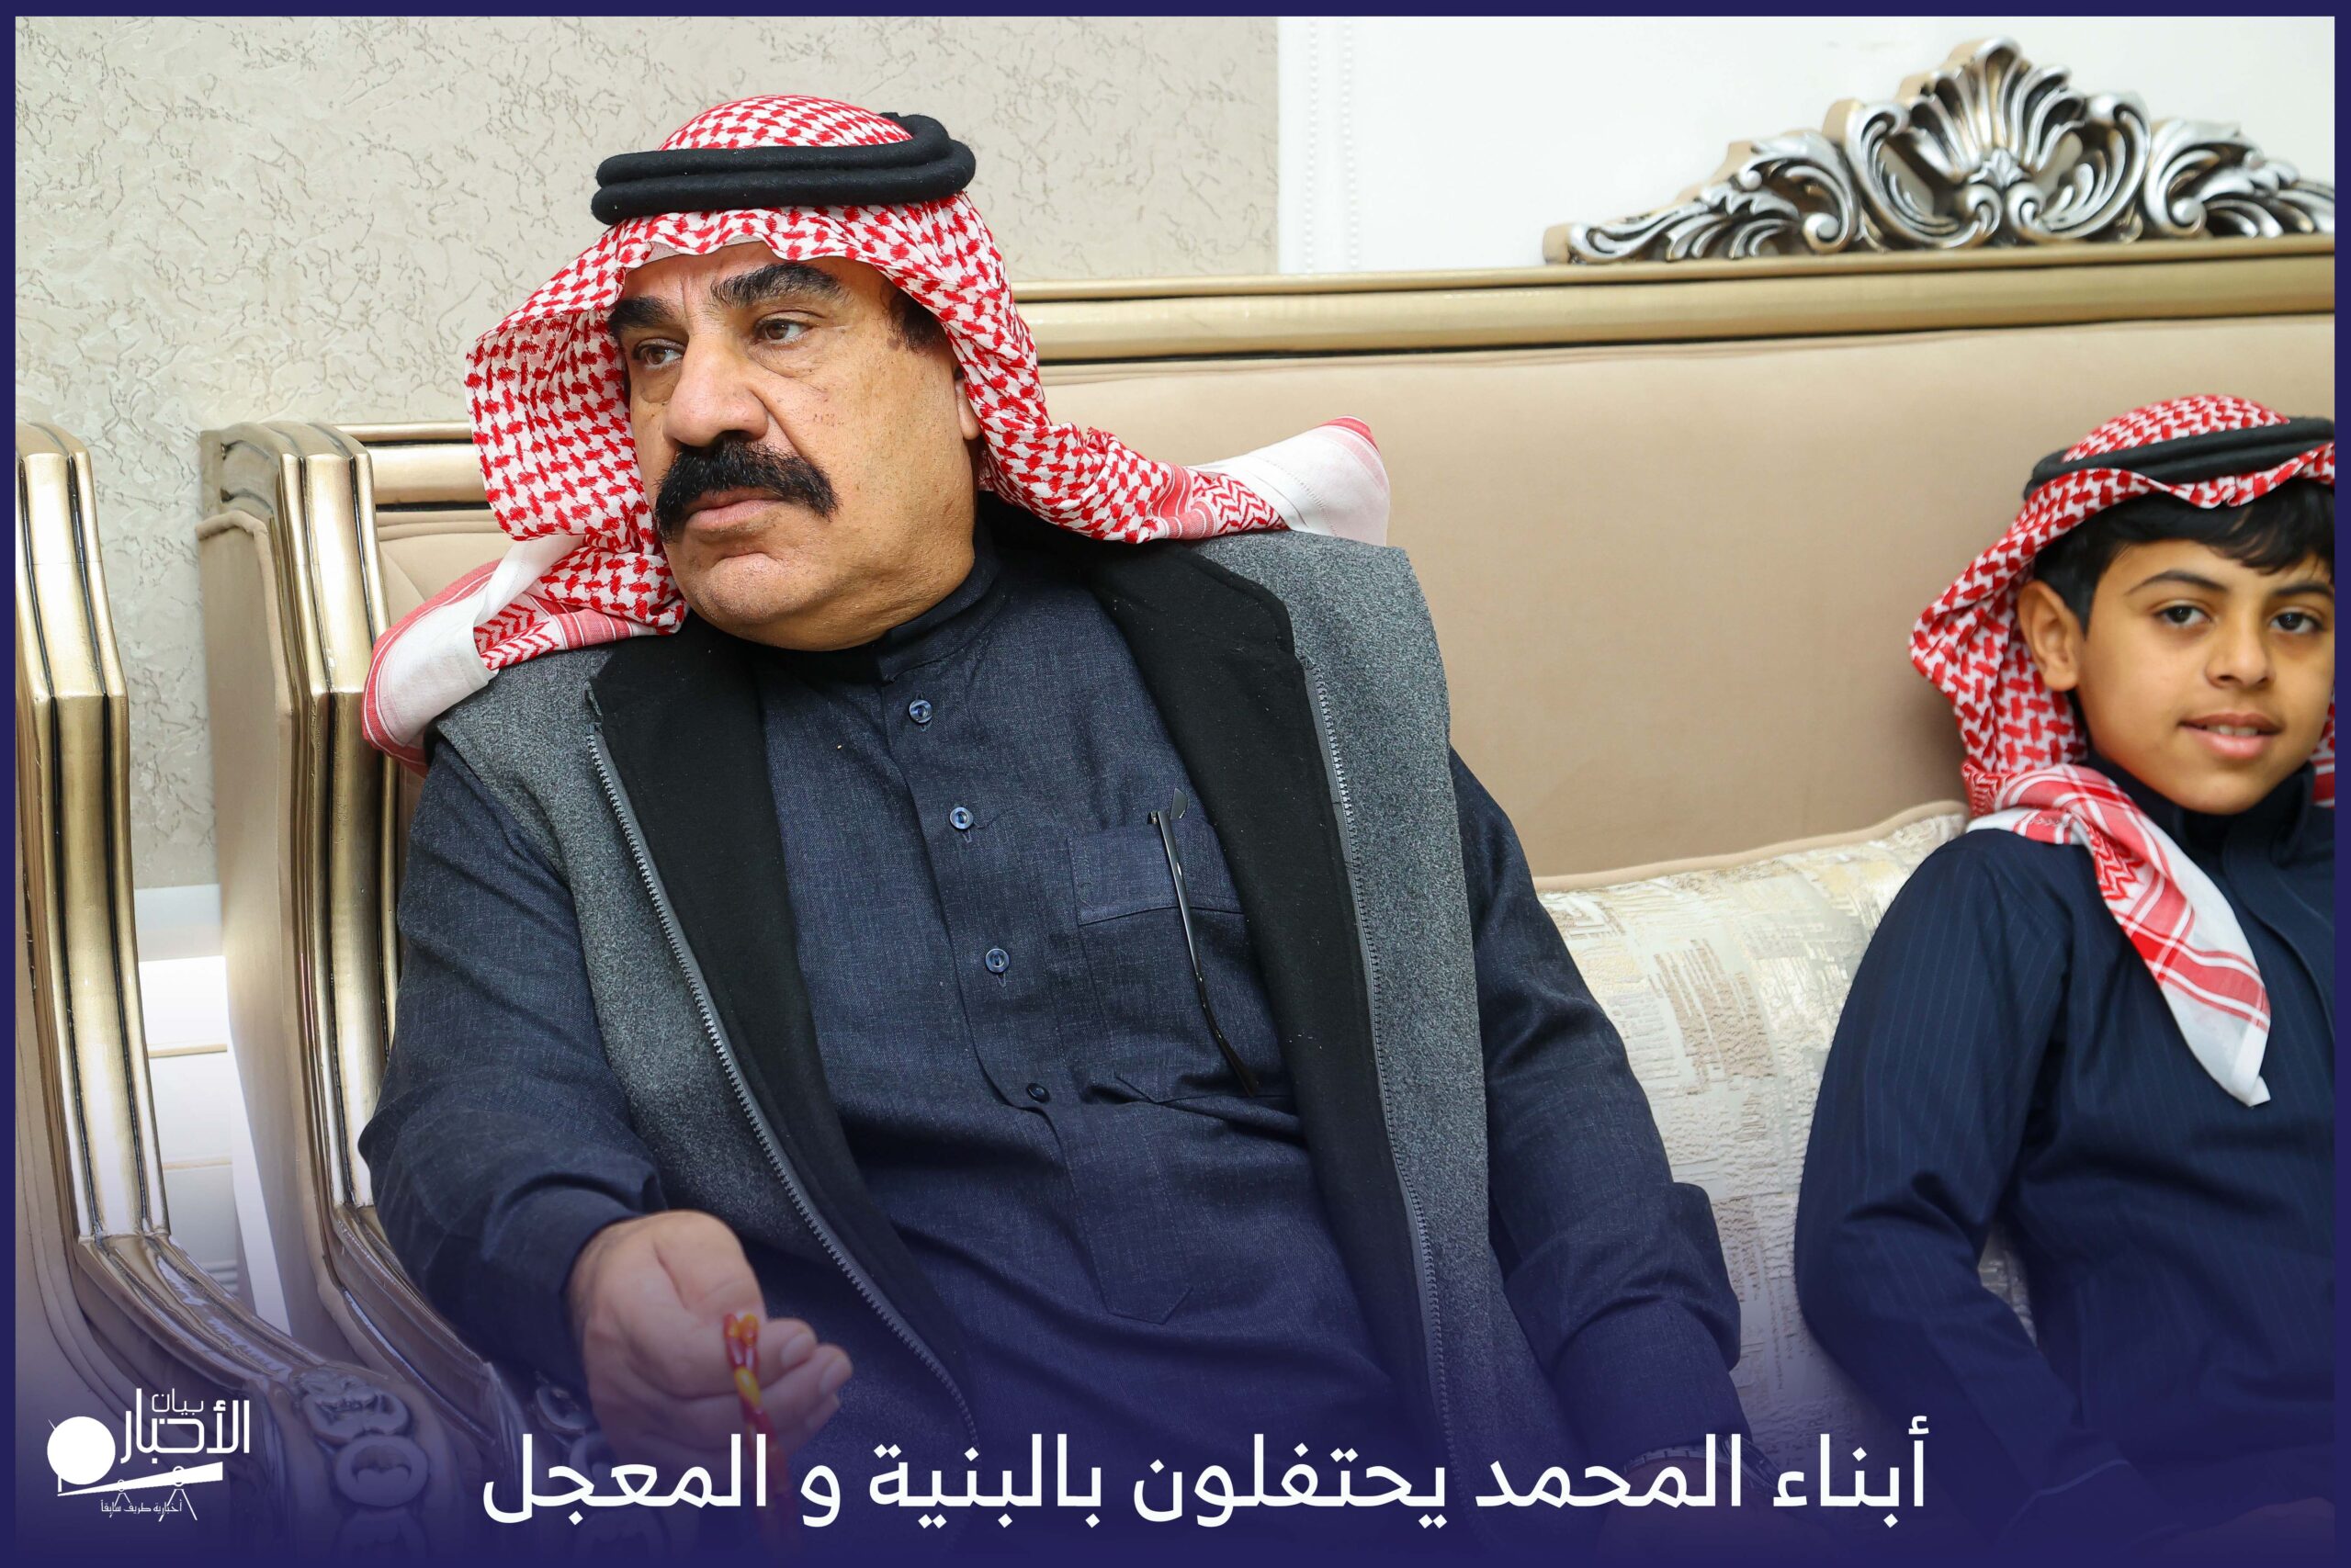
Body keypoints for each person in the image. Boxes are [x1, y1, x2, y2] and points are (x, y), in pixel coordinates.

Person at [356, 97, 1763, 1548]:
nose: (698, 410)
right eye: (654, 353)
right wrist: (589, 1267)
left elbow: (1532, 1068)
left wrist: (1675, 1456)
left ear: (964, 367)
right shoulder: (545, 758)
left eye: (779, 328)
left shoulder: (1282, 652)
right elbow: (473, 1122)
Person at [1795, 396, 2334, 1552]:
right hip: (2234, 1505)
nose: (2246, 663)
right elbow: (1873, 1248)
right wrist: (2090, 1513)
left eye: (2296, 619)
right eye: (2183, 613)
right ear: (2051, 637)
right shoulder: (2009, 896)